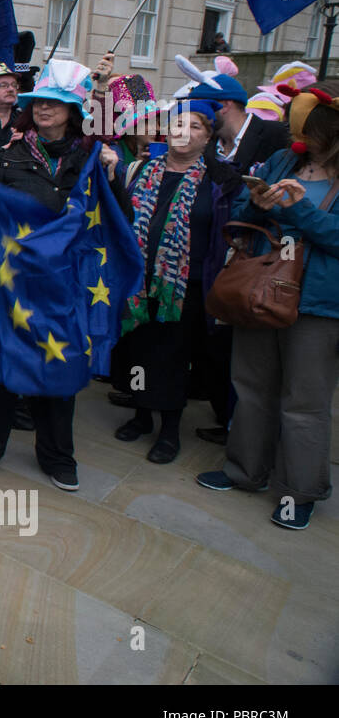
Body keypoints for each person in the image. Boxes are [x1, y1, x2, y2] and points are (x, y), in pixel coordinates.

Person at [0, 60, 129, 491]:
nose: (44, 109)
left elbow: (116, 219)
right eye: (40, 101)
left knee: (62, 368)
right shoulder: (8, 152)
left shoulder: (94, 157)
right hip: (14, 280)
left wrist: (113, 177)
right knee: (5, 363)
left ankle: (58, 456)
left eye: (56, 103)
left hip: (67, 283)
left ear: (73, 110)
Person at [197, 83, 339, 530]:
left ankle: (299, 492)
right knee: (252, 386)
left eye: (309, 130)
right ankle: (245, 472)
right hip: (261, 290)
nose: (300, 137)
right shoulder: (283, 160)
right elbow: (243, 208)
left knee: (304, 403)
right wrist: (257, 204)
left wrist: (299, 212)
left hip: (317, 305)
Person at [110, 101, 239, 464]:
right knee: (137, 349)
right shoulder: (139, 169)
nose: (184, 132)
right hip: (137, 280)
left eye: (195, 127)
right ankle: (140, 414)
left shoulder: (217, 180)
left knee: (171, 357)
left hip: (185, 285)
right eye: (178, 124)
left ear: (208, 137)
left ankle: (169, 430)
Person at [187, 72, 288, 172]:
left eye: (200, 105)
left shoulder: (277, 134)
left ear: (225, 105)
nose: (194, 112)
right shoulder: (204, 144)